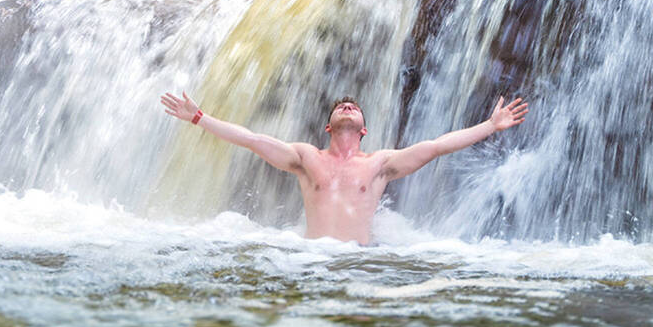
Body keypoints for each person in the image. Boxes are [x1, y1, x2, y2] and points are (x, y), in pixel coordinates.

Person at [160, 92, 528, 244]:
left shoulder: (380, 164)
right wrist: (197, 117)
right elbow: (252, 140)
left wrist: (490, 126)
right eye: (341, 107)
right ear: (328, 126)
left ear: (364, 129)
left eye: (354, 107)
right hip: (309, 262)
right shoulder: (306, 159)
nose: (347, 107)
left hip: (358, 264)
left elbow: (434, 148)